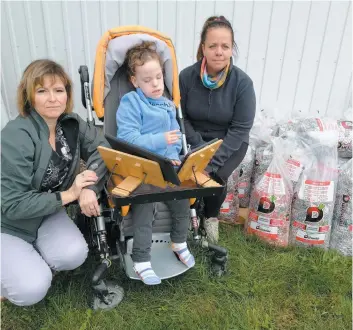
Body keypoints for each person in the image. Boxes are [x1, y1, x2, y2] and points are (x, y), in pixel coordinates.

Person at [1, 59, 110, 306]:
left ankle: (28, 259)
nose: (53, 98)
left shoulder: (70, 124)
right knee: (31, 290)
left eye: (58, 90)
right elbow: (12, 204)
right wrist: (70, 194)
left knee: (75, 254)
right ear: (29, 96)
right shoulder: (15, 136)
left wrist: (88, 188)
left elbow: (102, 149)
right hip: (8, 224)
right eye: (42, 91)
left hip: (46, 214)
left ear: (67, 94)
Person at [116, 42, 195, 285]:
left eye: (159, 77)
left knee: (182, 200)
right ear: (134, 81)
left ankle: (179, 241)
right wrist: (159, 140)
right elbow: (126, 139)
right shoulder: (131, 103)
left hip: (167, 167)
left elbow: (173, 140)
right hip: (141, 168)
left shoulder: (168, 104)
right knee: (144, 207)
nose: (156, 84)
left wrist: (176, 156)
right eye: (148, 80)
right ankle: (141, 259)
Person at [179, 16, 256, 243]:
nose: (219, 52)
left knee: (216, 178)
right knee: (183, 174)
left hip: (230, 141)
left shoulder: (243, 83)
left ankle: (210, 218)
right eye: (213, 46)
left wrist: (211, 162)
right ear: (203, 48)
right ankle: (184, 215)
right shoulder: (186, 77)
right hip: (194, 138)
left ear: (232, 49)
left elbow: (241, 128)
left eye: (225, 46)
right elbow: (179, 117)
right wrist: (199, 147)